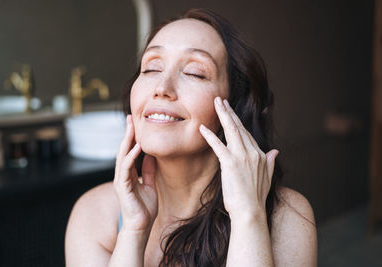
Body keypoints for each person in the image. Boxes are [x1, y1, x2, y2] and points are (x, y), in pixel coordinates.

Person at [65, 8, 317, 266]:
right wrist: (133, 231)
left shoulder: (286, 217)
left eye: (195, 73)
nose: (162, 88)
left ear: (235, 107)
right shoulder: (95, 214)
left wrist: (248, 217)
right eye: (151, 68)